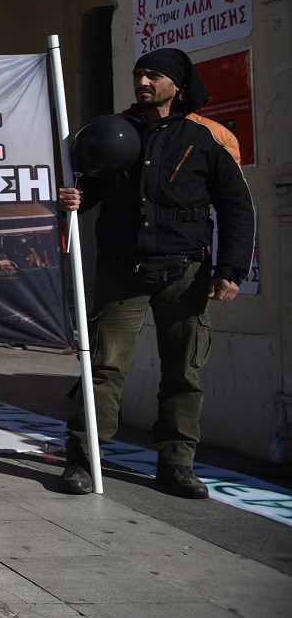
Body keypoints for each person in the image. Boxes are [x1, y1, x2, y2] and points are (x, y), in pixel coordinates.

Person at [57, 48, 255, 499]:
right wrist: (75, 197)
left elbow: (237, 208)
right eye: (138, 74)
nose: (143, 82)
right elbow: (91, 187)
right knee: (103, 367)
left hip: (185, 272)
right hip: (122, 268)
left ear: (177, 85)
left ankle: (177, 463)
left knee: (184, 372)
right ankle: (83, 459)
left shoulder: (208, 137)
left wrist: (231, 270)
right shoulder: (114, 130)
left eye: (153, 76)